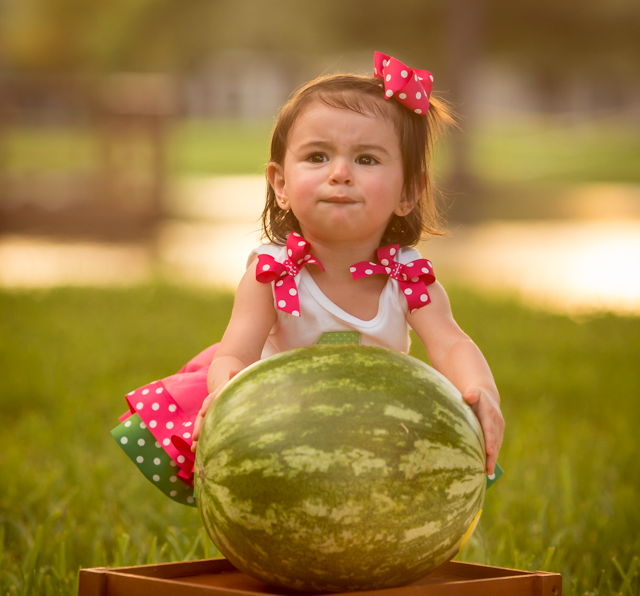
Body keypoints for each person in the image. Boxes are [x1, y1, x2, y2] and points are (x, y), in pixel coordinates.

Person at [111, 52, 504, 507]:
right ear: (280, 184)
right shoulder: (271, 274)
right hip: (280, 426)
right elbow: (234, 352)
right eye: (318, 156)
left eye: (367, 160)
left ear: (408, 193)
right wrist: (226, 398)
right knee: (282, 513)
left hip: (375, 428)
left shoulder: (408, 279)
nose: (340, 174)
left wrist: (481, 394)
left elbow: (452, 344)